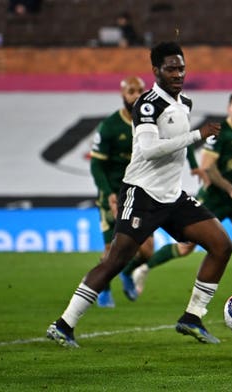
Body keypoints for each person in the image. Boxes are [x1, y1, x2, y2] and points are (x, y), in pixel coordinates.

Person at [46, 41, 232, 348]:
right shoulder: (147, 105)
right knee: (116, 260)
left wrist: (194, 161)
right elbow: (149, 150)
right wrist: (198, 135)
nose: (178, 73)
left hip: (173, 196)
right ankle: (64, 324)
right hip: (142, 193)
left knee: (221, 245)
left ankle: (193, 317)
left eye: (181, 67)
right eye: (171, 68)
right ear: (156, 71)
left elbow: (178, 151)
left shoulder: (184, 103)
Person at [126, 91, 232, 296]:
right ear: (229, 109)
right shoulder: (220, 132)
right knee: (185, 248)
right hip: (214, 198)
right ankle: (141, 268)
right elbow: (207, 167)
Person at [88, 75, 154, 308]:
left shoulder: (150, 123)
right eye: (131, 91)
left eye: (139, 91)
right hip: (113, 195)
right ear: (123, 95)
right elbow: (96, 164)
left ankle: (127, 272)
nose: (135, 96)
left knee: (147, 250)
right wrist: (108, 193)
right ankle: (104, 289)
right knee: (112, 249)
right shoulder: (110, 126)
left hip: (141, 195)